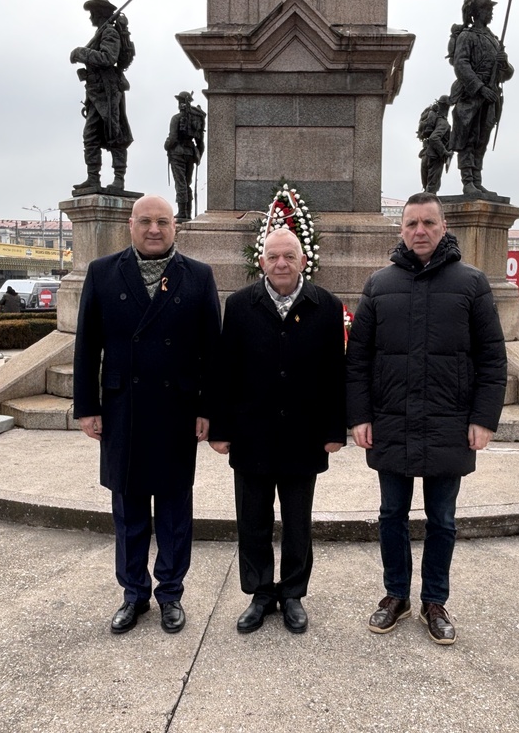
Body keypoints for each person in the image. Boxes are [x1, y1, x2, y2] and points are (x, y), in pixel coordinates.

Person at [345, 192, 507, 646]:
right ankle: (395, 594)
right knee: (391, 514)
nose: (420, 231)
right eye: (412, 223)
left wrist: (484, 419)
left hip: (448, 423)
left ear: (442, 227)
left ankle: (434, 601)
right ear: (401, 229)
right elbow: (357, 360)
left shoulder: (472, 284)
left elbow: (492, 358)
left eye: (428, 224)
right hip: (391, 422)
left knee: (443, 519)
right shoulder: (379, 285)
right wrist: (359, 416)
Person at [73, 194, 221, 635]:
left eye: (163, 222)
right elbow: (86, 347)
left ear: (175, 227)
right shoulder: (102, 273)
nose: (154, 230)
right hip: (123, 411)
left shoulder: (198, 276)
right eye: (145, 222)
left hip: (176, 410)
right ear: (130, 226)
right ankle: (133, 593)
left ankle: (171, 593)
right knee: (129, 509)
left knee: (175, 511)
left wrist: (207, 408)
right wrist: (87, 408)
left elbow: (211, 353)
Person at [208, 229, 346, 635]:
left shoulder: (327, 306)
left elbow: (335, 375)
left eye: (289, 256)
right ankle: (261, 593)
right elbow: (223, 371)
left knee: (298, 521)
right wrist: (220, 428)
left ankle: (293, 594)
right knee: (252, 519)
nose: (281, 263)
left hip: (304, 435)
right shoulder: (238, 305)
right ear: (262, 262)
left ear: (303, 261)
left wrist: (334, 429)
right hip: (252, 433)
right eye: (273, 256)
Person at [447, 0, 514, 196]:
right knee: (468, 137)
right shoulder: (467, 36)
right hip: (471, 95)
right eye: (487, 9)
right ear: (477, 13)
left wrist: (504, 64)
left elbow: (507, 74)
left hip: (491, 96)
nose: (491, 13)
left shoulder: (494, 40)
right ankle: (467, 180)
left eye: (491, 10)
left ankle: (477, 179)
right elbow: (461, 64)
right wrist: (479, 87)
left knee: (482, 140)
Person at [70, 0, 134, 193]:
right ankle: (93, 178)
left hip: (108, 92)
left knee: (115, 134)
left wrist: (82, 53)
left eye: (92, 14)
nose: (90, 19)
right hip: (96, 93)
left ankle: (118, 179)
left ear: (99, 14)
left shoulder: (109, 33)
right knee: (90, 136)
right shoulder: (102, 32)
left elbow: (109, 58)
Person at [164, 92, 206, 223]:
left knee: (180, 182)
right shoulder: (196, 120)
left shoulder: (176, 118)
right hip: (191, 154)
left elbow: (172, 138)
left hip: (177, 153)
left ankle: (182, 211)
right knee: (187, 183)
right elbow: (200, 142)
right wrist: (198, 156)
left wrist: (166, 146)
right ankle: (187, 212)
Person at [417, 96, 451, 195]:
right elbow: (434, 138)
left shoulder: (432, 119)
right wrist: (445, 152)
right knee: (431, 191)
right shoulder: (443, 122)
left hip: (425, 154)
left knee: (427, 189)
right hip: (435, 157)